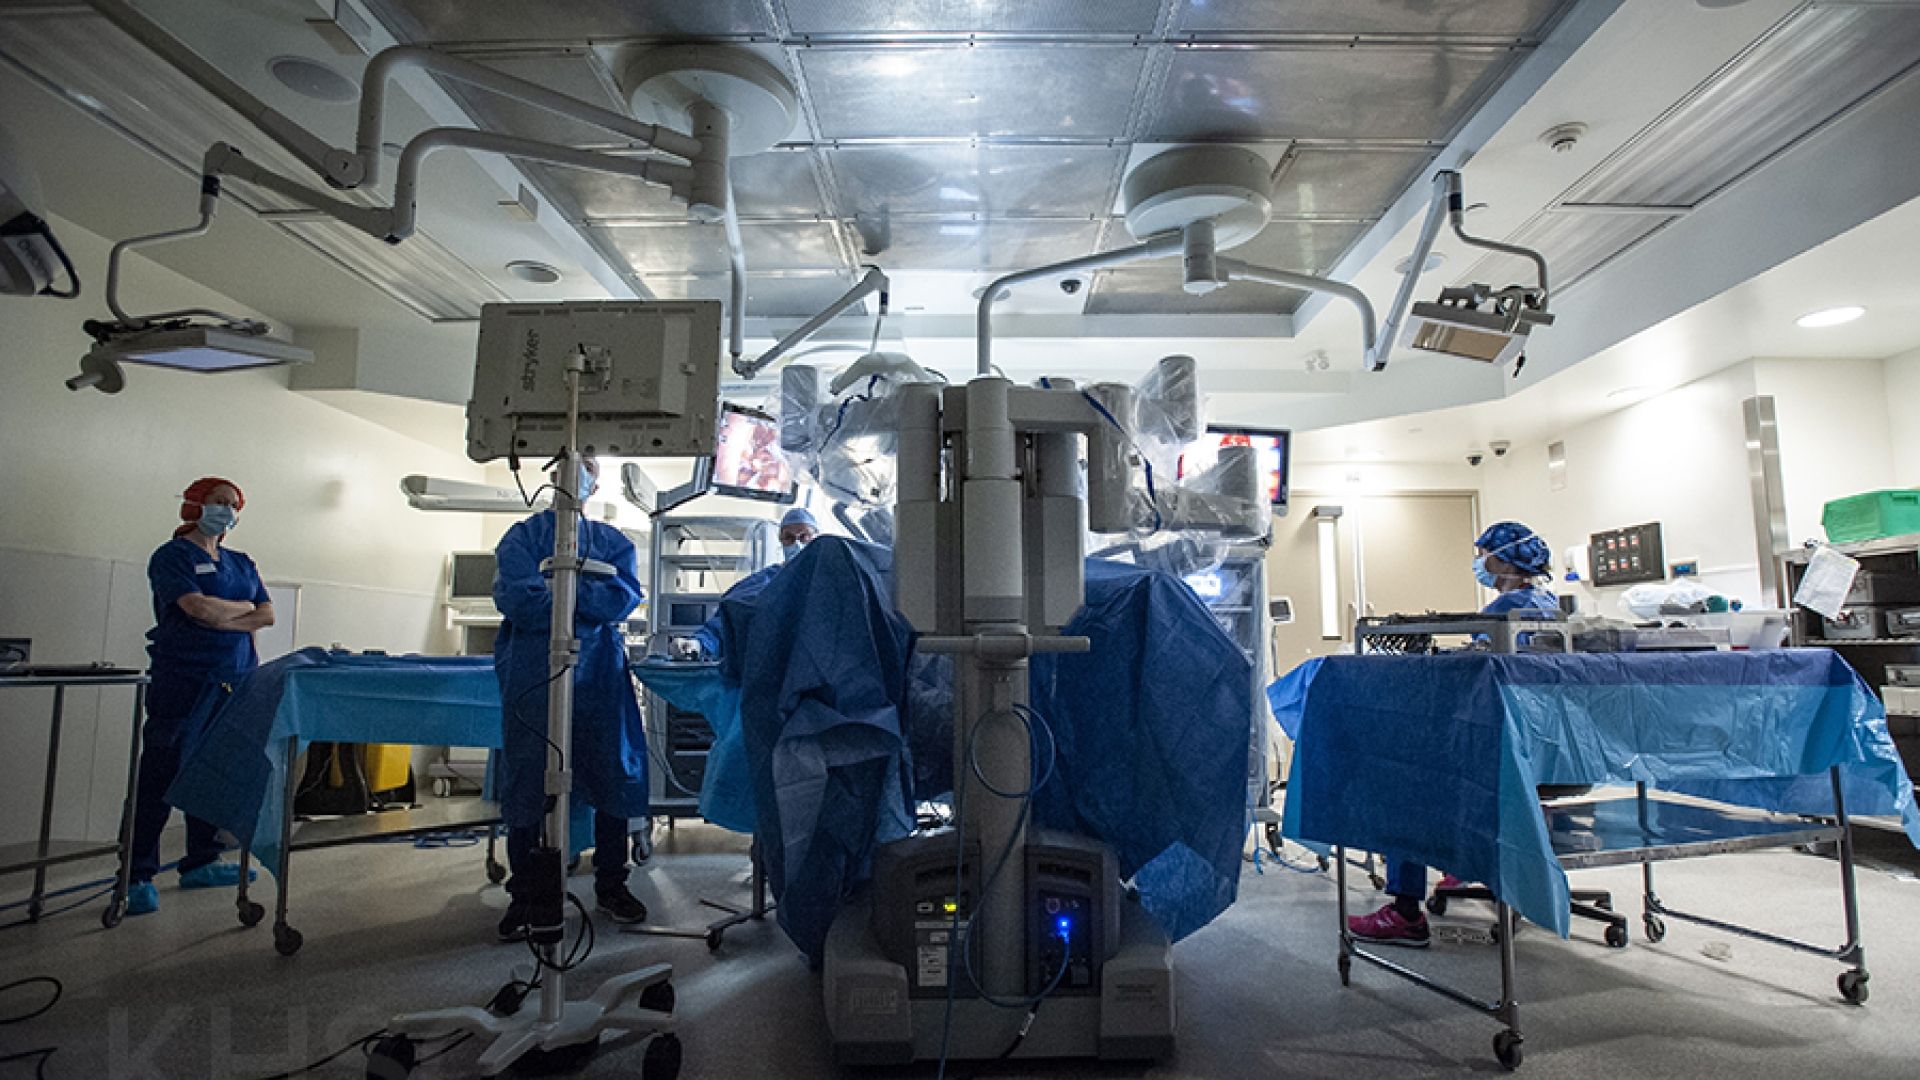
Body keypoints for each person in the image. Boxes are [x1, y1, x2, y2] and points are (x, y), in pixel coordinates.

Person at [1347, 520, 1557, 947]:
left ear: (1506, 559)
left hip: (1500, 753)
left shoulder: (1505, 611)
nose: (1480, 562)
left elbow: (1479, 670)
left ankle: (1405, 912)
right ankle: (1459, 863)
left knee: (1406, 781)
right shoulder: (1550, 605)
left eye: (1485, 554)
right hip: (1545, 754)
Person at [493, 456, 651, 941]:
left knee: (612, 772)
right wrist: (582, 595)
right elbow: (517, 598)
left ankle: (612, 884)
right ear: (551, 475)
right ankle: (526, 895)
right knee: (529, 778)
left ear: (594, 483)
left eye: (585, 467)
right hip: (532, 670)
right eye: (566, 462)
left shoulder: (612, 541)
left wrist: (560, 590)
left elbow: (622, 597)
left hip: (598, 673)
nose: (574, 473)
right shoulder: (522, 537)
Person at [127, 477, 274, 915]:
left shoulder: (240, 563)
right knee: (161, 775)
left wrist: (224, 616)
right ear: (194, 504)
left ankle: (202, 860)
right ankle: (136, 875)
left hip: (233, 679)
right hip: (183, 680)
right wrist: (241, 611)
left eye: (233, 504)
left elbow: (267, 614)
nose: (227, 510)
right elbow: (195, 608)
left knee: (212, 772)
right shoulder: (173, 556)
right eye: (218, 501)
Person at [682, 506, 820, 660]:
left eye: (804, 536)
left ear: (816, 539)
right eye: (789, 537)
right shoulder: (762, 581)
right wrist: (698, 644)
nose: (796, 544)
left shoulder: (828, 583)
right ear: (780, 539)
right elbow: (727, 621)